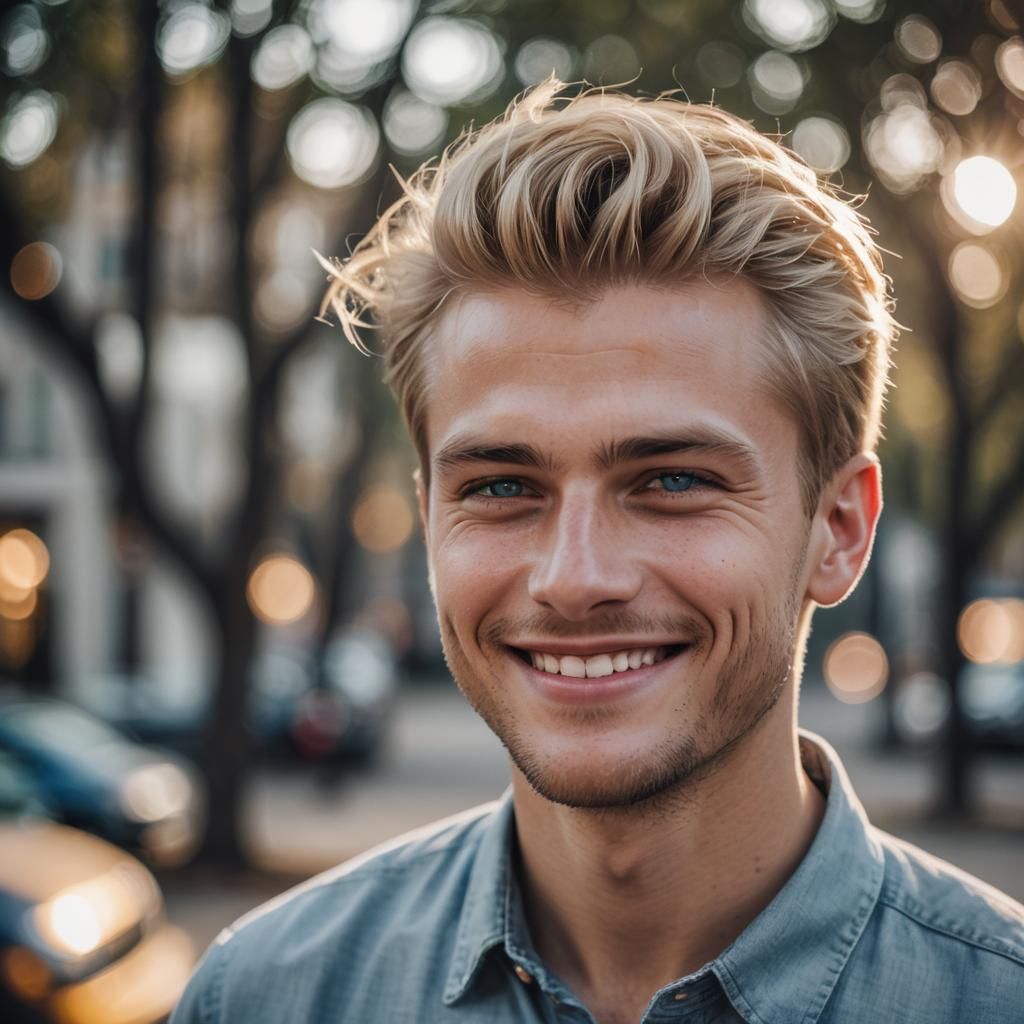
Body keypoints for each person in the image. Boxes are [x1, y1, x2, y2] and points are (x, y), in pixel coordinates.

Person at [171, 82, 1024, 1023]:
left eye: (672, 481)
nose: (574, 579)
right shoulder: (265, 995)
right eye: (501, 487)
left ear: (840, 530)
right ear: (428, 523)